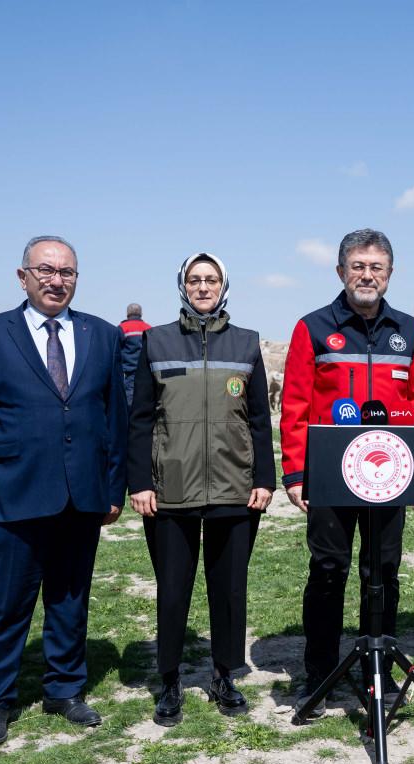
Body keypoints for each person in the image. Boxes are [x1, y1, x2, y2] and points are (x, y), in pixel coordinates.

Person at [0, 235, 127, 747]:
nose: (57, 280)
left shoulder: (102, 335)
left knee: (70, 600)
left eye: (67, 272)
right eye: (46, 270)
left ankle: (65, 690)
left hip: (82, 496)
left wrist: (112, 486)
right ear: (22, 275)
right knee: (5, 605)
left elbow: (112, 416)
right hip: (13, 495)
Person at [279, 228, 414, 712]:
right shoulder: (312, 327)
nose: (366, 275)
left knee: (383, 571)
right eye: (358, 266)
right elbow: (296, 404)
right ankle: (319, 670)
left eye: (377, 267)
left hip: (389, 476)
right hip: (328, 475)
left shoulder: (410, 332)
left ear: (390, 274)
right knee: (328, 570)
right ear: (340, 271)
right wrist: (295, 472)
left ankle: (380, 671)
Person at [127, 253, 274, 726]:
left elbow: (257, 419)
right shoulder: (156, 340)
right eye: (195, 280)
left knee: (229, 590)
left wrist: (264, 479)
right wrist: (139, 482)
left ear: (224, 286)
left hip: (235, 487)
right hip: (171, 489)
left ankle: (224, 675)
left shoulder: (247, 343)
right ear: (183, 286)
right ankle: (169, 680)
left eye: (211, 280)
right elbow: (141, 419)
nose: (203, 287)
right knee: (173, 590)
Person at [119, 303, 150, 404]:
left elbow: (116, 350)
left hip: (128, 371)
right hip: (146, 371)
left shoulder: (122, 328)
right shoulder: (148, 328)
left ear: (127, 314)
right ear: (141, 313)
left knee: (129, 397)